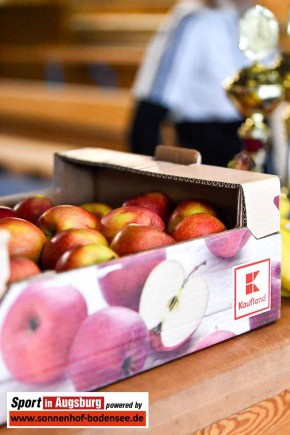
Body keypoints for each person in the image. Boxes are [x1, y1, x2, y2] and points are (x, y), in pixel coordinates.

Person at [128, 0, 254, 166]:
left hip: (248, 142)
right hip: (206, 150)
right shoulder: (193, 20)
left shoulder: (252, 19)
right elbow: (147, 115)